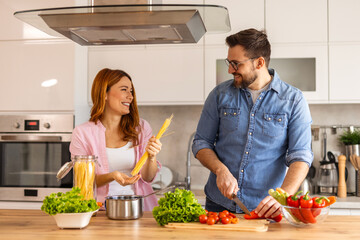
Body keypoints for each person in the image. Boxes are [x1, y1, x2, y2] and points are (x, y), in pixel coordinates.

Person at [192, 28, 313, 219]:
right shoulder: (219, 95)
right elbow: (201, 143)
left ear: (259, 62)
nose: (230, 69)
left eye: (236, 64)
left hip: (266, 209)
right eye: (229, 62)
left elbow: (301, 156)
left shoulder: (293, 100)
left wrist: (283, 196)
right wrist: (220, 170)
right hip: (218, 205)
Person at [70, 68, 162, 211]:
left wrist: (151, 157)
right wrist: (112, 176)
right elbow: (84, 181)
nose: (130, 96)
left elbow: (148, 178)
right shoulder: (83, 133)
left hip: (139, 209)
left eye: (131, 91)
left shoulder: (142, 128)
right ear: (104, 93)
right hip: (100, 211)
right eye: (124, 90)